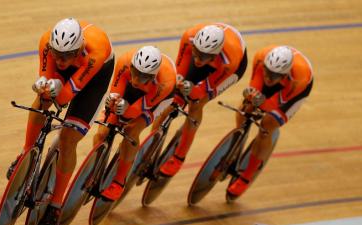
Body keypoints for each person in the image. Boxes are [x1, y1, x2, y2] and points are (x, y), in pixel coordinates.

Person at [6, 18, 114, 225]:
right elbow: (47, 79)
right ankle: (26, 153)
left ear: (79, 49)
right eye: (57, 55)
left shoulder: (95, 53)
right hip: (74, 65)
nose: (61, 60)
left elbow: (66, 96)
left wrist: (58, 92)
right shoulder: (47, 42)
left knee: (68, 138)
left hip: (93, 76)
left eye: (66, 56)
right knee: (42, 100)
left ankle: (56, 202)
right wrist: (45, 87)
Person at [154, 23, 248, 179]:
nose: (197, 59)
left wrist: (194, 91)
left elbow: (204, 89)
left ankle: (179, 156)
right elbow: (180, 71)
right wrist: (179, 84)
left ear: (214, 54)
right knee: (172, 100)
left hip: (229, 69)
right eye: (196, 53)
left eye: (203, 56)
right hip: (209, 53)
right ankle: (152, 146)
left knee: (196, 103)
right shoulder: (188, 37)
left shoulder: (229, 60)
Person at [227, 45, 313, 198]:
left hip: (292, 92)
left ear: (284, 74)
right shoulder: (261, 57)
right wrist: (251, 101)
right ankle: (238, 142)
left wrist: (261, 104)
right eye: (267, 72)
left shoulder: (299, 78)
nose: (268, 78)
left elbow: (273, 104)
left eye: (274, 76)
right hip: (272, 73)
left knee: (268, 124)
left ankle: (247, 176)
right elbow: (255, 88)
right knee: (245, 108)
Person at [93, 46, 176, 201]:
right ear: (131, 67)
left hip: (159, 99)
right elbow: (115, 92)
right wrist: (114, 102)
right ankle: (93, 170)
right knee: (102, 133)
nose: (137, 80)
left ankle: (119, 180)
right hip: (131, 88)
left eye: (143, 77)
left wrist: (127, 110)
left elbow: (136, 110)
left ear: (152, 77)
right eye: (136, 74)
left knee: (132, 130)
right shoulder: (124, 61)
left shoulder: (165, 81)